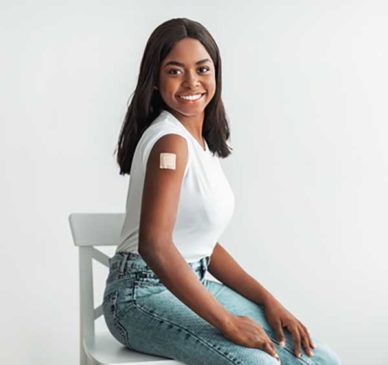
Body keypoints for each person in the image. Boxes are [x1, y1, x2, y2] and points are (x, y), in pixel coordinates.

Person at [103, 17, 342, 365]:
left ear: (216, 74)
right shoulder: (170, 142)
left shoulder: (199, 144)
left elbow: (204, 247)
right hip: (139, 298)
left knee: (320, 359)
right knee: (259, 363)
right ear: (154, 80)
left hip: (191, 282)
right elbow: (154, 245)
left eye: (202, 69)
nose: (191, 82)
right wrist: (227, 322)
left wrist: (267, 300)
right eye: (174, 71)